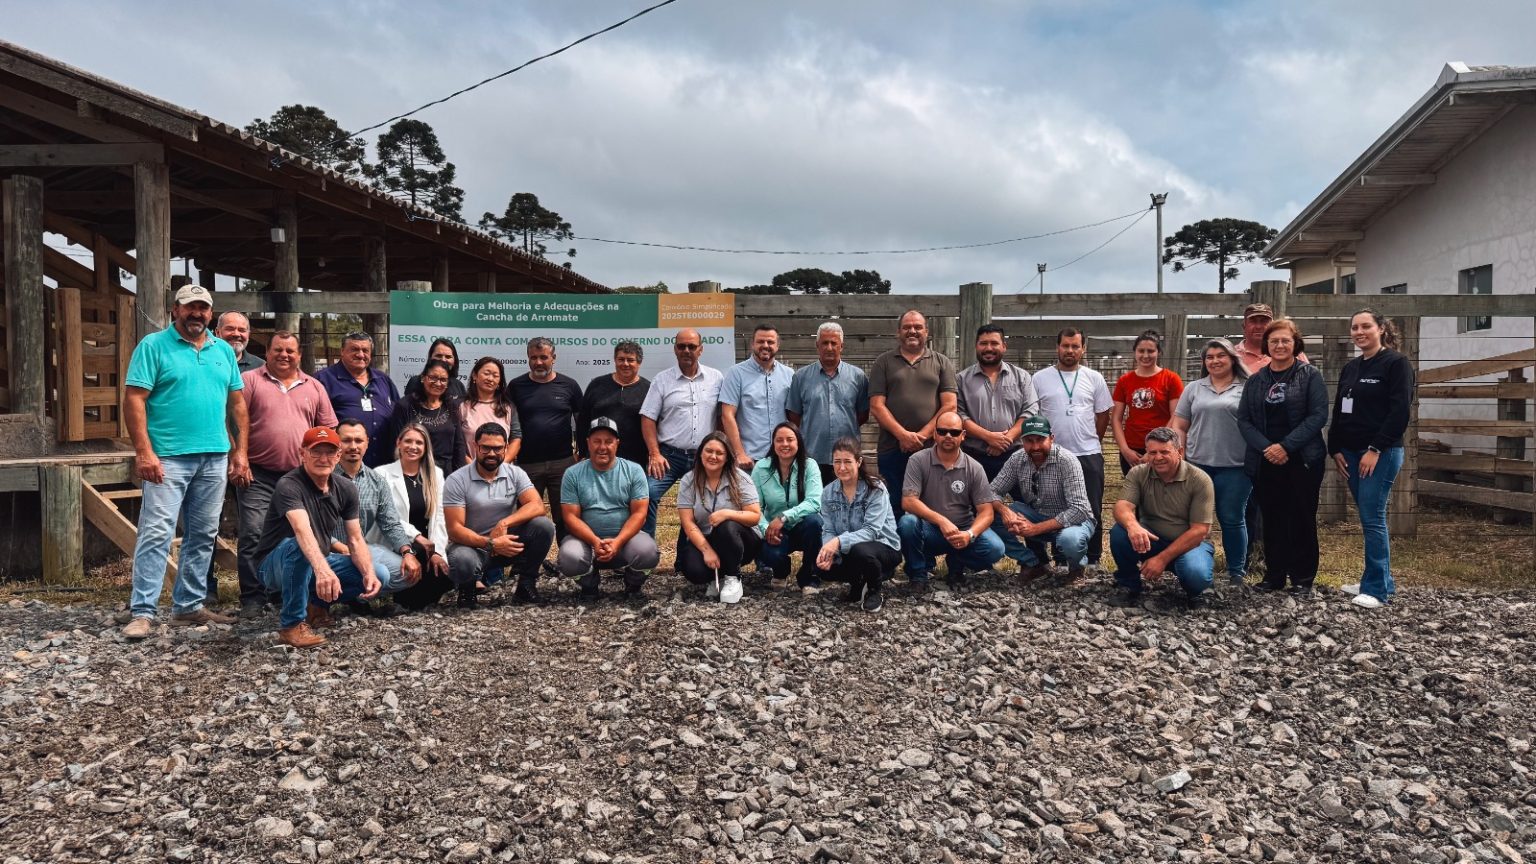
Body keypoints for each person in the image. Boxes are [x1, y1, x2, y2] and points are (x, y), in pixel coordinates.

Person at [120, 284, 247, 639]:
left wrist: (239, 450)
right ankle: (142, 610)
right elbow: (134, 400)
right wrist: (144, 451)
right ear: (175, 310)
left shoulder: (223, 350)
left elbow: (237, 404)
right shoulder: (153, 346)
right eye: (190, 307)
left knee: (204, 533)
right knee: (157, 532)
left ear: (211, 313)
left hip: (214, 455)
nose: (197, 314)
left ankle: (188, 606)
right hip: (168, 457)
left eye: (203, 308)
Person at [251, 426, 386, 648]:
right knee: (299, 546)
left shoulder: (346, 488)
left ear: (338, 456)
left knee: (378, 573)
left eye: (330, 452)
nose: (323, 458)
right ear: (302, 453)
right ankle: (291, 626)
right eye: (316, 452)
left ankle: (315, 604)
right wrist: (323, 571)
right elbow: (302, 530)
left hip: (315, 558)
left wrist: (368, 572)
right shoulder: (289, 485)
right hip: (274, 565)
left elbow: (355, 539)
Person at [236, 330, 337, 617]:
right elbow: (233, 422)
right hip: (259, 474)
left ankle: (286, 592)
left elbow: (329, 429)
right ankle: (253, 597)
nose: (284, 355)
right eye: (278, 350)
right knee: (254, 533)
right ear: (266, 353)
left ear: (299, 355)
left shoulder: (314, 387)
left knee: (298, 534)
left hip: (300, 478)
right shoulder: (250, 381)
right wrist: (238, 457)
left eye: (290, 351)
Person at [1329, 309, 1414, 610]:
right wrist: (1335, 447)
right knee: (1367, 516)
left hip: (1380, 453)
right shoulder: (1351, 367)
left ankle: (1376, 590)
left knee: (1373, 517)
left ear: (1381, 329)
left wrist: (1375, 449)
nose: (1359, 332)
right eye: (1354, 327)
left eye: (1366, 326)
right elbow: (1340, 410)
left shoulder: (1396, 364)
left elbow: (1399, 412)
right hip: (1350, 453)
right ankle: (1377, 578)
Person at [1237, 318, 1328, 595]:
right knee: (1272, 518)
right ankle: (1274, 576)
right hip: (1266, 460)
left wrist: (1286, 446)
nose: (1279, 345)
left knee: (1301, 517)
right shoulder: (1256, 380)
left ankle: (1302, 577)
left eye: (1285, 340)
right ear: (1267, 345)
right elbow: (1244, 420)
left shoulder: (1309, 375)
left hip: (1302, 459)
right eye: (1274, 341)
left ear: (1295, 344)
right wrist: (1268, 447)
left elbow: (1318, 416)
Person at [442, 423, 556, 608]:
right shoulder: (457, 480)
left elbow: (537, 505)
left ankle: (525, 587)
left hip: (506, 543)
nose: (492, 453)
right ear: (475, 446)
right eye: (486, 448)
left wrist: (504, 523)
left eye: (497, 448)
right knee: (462, 560)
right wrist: (490, 543)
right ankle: (467, 591)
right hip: (473, 547)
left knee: (543, 526)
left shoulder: (515, 473)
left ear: (506, 448)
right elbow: (454, 530)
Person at [334, 419, 437, 612]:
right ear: (337, 442)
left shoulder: (376, 481)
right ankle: (335, 598)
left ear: (367, 443)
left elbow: (390, 522)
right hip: (327, 550)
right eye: (346, 440)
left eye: (358, 440)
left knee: (406, 573)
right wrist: (339, 547)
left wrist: (407, 552)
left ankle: (354, 594)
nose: (353, 446)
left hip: (362, 549)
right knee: (376, 572)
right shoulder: (324, 476)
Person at [1171, 339, 1252, 586]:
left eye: (1221, 356)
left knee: (1232, 518)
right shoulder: (1194, 388)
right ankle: (1191, 567)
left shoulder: (1247, 388)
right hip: (1198, 465)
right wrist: (1180, 454)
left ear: (1232, 359)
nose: (1215, 361)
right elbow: (1180, 425)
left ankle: (1236, 571)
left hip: (1236, 466)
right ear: (1204, 362)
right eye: (1210, 357)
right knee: (1194, 519)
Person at [1107, 427, 1216, 610]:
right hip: (1152, 540)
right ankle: (1128, 584)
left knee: (1195, 574)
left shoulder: (1200, 479)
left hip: (1190, 545)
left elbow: (1200, 530)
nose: (1158, 458)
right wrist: (1133, 525)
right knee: (1120, 532)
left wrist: (1162, 559)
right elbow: (1122, 507)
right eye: (1152, 452)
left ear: (1179, 452)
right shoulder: (1138, 473)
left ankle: (1197, 592)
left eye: (1164, 452)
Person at [896, 411, 1005, 591]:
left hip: (962, 529)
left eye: (954, 432)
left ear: (963, 436)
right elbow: (908, 502)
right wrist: (941, 520)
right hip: (930, 530)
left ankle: (956, 565)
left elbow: (986, 512)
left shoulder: (975, 467)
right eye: (942, 431)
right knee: (907, 523)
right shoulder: (917, 460)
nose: (948, 436)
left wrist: (969, 535)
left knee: (995, 549)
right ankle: (918, 575)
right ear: (934, 434)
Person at [1031, 328, 1113, 567]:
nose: (1070, 350)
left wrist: (1091, 440)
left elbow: (1103, 414)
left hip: (1088, 453)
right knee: (1059, 506)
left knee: (1091, 507)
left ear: (1083, 349)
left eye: (1075, 346)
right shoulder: (1040, 378)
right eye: (1065, 346)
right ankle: (1062, 559)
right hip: (1053, 455)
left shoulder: (1094, 377)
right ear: (1057, 348)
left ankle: (1094, 559)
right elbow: (1034, 415)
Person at [557, 417, 658, 599]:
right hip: (586, 542)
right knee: (569, 558)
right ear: (588, 443)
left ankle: (633, 583)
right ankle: (589, 584)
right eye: (597, 441)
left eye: (608, 441)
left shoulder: (634, 470)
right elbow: (570, 518)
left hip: (626, 540)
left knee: (649, 553)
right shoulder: (573, 474)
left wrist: (618, 542)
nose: (602, 447)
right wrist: (595, 542)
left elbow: (640, 514)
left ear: (617, 443)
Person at [870, 310, 959, 513]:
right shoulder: (883, 362)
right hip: (891, 448)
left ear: (926, 332)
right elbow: (876, 405)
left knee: (931, 503)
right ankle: (895, 544)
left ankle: (926, 545)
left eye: (918, 327)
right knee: (893, 504)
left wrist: (920, 436)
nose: (912, 331)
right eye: (907, 327)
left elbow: (949, 405)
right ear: (898, 332)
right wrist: (903, 436)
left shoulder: (941, 362)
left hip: (931, 448)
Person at [988, 416, 1095, 582]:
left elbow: (1080, 509)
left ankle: (1076, 567)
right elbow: (992, 492)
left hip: (1073, 521)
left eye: (1040, 440)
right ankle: (1033, 563)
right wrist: (1005, 511)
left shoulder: (1067, 461)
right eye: (1029, 441)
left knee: (1070, 540)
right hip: (1037, 515)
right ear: (1021, 441)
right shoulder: (1017, 459)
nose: (1035, 446)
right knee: (989, 516)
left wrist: (1035, 529)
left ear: (1052, 438)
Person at [640, 329, 725, 535]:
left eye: (692, 346)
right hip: (669, 456)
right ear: (675, 349)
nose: (686, 350)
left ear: (701, 350)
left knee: (700, 505)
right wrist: (654, 453)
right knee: (648, 494)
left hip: (703, 457)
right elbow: (648, 417)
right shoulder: (662, 380)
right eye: (681, 346)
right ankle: (646, 553)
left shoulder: (716, 378)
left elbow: (723, 416)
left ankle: (686, 559)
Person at [507, 337, 583, 543]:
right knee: (526, 515)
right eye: (534, 357)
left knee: (566, 516)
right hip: (527, 464)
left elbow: (581, 421)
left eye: (544, 357)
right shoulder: (515, 386)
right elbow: (507, 424)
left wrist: (582, 453)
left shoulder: (569, 385)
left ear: (554, 358)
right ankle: (523, 564)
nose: (539, 362)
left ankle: (569, 561)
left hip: (563, 463)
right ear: (528, 358)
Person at [813, 436, 901, 612]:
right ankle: (858, 582)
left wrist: (837, 542)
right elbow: (828, 529)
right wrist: (828, 551)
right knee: (822, 566)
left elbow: (871, 531)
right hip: (851, 550)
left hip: (884, 547)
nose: (842, 467)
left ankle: (875, 590)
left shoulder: (876, 489)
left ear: (859, 461)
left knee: (860, 551)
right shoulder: (828, 492)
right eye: (837, 462)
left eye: (847, 461)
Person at [674, 432, 761, 604]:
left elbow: (755, 516)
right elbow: (688, 522)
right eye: (708, 451)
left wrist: (727, 513)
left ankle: (732, 577)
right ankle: (718, 576)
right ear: (700, 453)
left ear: (727, 457)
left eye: (719, 453)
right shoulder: (688, 481)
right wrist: (707, 551)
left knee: (726, 525)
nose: (713, 456)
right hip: (707, 539)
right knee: (693, 570)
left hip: (742, 540)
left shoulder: (740, 478)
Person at [377, 424, 454, 611]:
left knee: (446, 571)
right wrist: (416, 537)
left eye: (419, 442)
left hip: (428, 544)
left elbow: (440, 516)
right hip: (398, 544)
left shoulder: (435, 474)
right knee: (409, 592)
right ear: (398, 443)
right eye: (408, 441)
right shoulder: (382, 474)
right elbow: (387, 516)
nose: (413, 446)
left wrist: (437, 552)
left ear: (426, 447)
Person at [786, 322, 869, 484]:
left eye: (834, 343)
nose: (829, 348)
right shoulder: (800, 377)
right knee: (815, 504)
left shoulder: (858, 377)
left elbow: (863, 414)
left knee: (850, 502)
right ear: (817, 345)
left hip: (848, 456)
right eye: (825, 343)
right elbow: (794, 415)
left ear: (841, 346)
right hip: (813, 456)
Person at [957, 324, 1040, 480]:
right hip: (974, 457)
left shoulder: (1022, 377)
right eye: (983, 343)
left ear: (1004, 346)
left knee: (1023, 503)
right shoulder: (961, 379)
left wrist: (1005, 440)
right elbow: (959, 415)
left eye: (994, 343)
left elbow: (1030, 411)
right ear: (976, 346)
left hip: (1015, 456)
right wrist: (989, 437)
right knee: (976, 504)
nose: (989, 348)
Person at [751, 422, 824, 589]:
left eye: (790, 440)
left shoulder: (810, 465)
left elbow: (815, 501)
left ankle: (809, 575)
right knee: (770, 554)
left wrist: (784, 517)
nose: (785, 444)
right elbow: (755, 507)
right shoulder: (761, 468)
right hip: (775, 530)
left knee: (815, 523)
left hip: (802, 526)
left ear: (798, 442)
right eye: (779, 440)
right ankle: (781, 572)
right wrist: (765, 528)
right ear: (773, 443)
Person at [314, 331, 400, 467]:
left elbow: (398, 415)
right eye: (354, 349)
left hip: (384, 467)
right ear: (342, 351)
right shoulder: (322, 380)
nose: (360, 354)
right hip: (342, 468)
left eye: (365, 350)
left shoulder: (383, 380)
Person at [721, 324, 794, 471]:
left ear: (777, 345)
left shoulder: (789, 375)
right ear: (752, 344)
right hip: (749, 460)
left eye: (770, 342)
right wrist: (739, 453)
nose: (765, 346)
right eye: (760, 341)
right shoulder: (736, 374)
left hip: (782, 459)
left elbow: (794, 416)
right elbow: (727, 415)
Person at [1111, 330, 1184, 475]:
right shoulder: (1124, 381)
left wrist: (1154, 450)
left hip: (1162, 448)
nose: (1145, 355)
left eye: (1150, 351)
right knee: (1136, 492)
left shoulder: (1171, 379)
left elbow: (1175, 415)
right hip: (1132, 449)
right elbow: (1116, 419)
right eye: (1141, 351)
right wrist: (1125, 450)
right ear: (1135, 353)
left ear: (1159, 352)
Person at [576, 341, 652, 466]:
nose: (625, 364)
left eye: (630, 360)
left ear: (639, 362)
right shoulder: (596, 385)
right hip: (597, 459)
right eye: (621, 359)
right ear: (615, 360)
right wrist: (583, 453)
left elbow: (654, 427)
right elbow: (583, 421)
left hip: (635, 462)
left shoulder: (649, 389)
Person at [460, 356, 522, 464]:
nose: (490, 379)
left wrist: (502, 465)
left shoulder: (508, 407)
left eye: (495, 375)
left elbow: (516, 438)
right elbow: (456, 443)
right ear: (475, 375)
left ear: (499, 381)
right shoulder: (462, 406)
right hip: (468, 471)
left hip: (503, 472)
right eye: (486, 373)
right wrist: (472, 468)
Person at [1234, 303, 1309, 375]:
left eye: (1264, 321)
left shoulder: (1294, 353)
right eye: (1253, 321)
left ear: (1272, 326)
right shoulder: (1232, 355)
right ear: (1244, 325)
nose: (1258, 326)